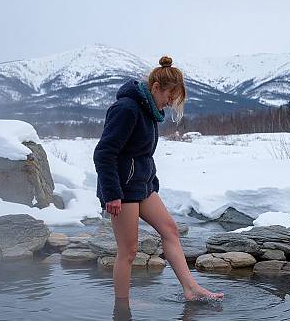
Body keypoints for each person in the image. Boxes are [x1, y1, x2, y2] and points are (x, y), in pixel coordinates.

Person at [93, 56, 224, 302]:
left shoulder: (150, 111)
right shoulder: (127, 109)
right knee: (129, 252)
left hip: (141, 186)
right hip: (121, 189)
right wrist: (112, 193)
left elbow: (141, 155)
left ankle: (191, 289)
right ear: (155, 88)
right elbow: (104, 153)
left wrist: (151, 183)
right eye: (169, 97)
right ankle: (122, 309)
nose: (170, 103)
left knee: (170, 230)